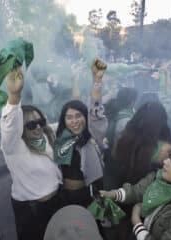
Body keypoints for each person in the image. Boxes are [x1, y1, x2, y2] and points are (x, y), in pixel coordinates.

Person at [0, 66, 62, 240]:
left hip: (57, 204)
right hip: (32, 212)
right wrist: (14, 96)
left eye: (40, 122)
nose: (37, 128)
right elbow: (9, 127)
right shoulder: (14, 147)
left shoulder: (47, 135)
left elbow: (71, 121)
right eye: (30, 125)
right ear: (21, 129)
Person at [53, 59, 107, 208]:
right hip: (63, 195)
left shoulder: (90, 136)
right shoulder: (63, 136)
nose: (74, 121)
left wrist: (97, 79)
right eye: (69, 117)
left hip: (85, 196)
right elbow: (74, 101)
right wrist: (74, 79)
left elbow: (95, 108)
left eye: (79, 116)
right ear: (64, 120)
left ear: (86, 117)